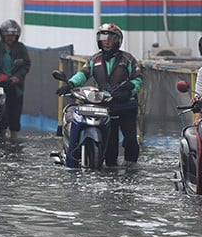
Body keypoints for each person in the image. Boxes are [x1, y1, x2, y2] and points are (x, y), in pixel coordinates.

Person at [56, 23, 142, 166]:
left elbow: (138, 79)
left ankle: (131, 168)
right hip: (105, 107)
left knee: (131, 140)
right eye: (103, 37)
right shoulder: (94, 59)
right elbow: (82, 74)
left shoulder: (128, 59)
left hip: (126, 106)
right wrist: (70, 84)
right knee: (110, 145)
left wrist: (130, 88)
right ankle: (109, 170)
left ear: (118, 40)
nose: (106, 41)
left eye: (110, 38)